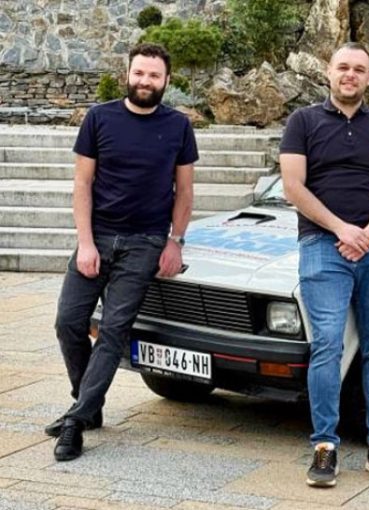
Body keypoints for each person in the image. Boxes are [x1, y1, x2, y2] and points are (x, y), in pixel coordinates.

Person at [46, 43, 198, 461]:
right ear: (127, 74)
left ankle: (76, 422)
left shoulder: (179, 126)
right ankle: (86, 404)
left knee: (113, 330)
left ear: (167, 80)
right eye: (139, 73)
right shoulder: (100, 118)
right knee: (68, 322)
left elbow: (185, 191)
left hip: (145, 242)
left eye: (154, 75)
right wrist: (85, 242)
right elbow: (82, 184)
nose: (145, 81)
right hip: (97, 236)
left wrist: (176, 240)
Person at [280, 42, 369, 487]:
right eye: (343, 67)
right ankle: (325, 446)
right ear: (329, 73)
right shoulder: (302, 121)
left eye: (359, 69)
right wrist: (342, 229)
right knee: (328, 346)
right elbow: (293, 186)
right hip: (321, 244)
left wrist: (367, 233)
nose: (350, 74)